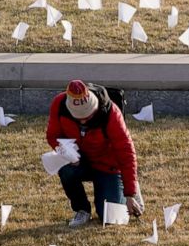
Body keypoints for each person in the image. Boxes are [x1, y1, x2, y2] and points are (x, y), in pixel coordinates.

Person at [46, 79, 143, 228]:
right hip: (80, 160)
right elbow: (52, 136)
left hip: (108, 165)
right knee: (66, 170)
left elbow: (126, 152)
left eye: (88, 116)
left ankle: (131, 189)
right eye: (79, 118)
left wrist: (130, 193)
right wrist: (67, 152)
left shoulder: (111, 113)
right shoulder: (59, 104)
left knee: (111, 218)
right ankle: (81, 209)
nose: (84, 121)